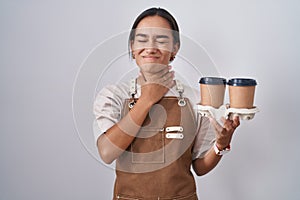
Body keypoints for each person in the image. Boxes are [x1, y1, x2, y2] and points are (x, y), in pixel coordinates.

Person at [93, 7, 240, 200]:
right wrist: (147, 99)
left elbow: (200, 167)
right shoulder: (113, 96)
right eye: (142, 39)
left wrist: (221, 144)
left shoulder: (196, 100)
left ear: (175, 49)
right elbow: (107, 152)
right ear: (132, 47)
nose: (151, 47)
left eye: (161, 40)